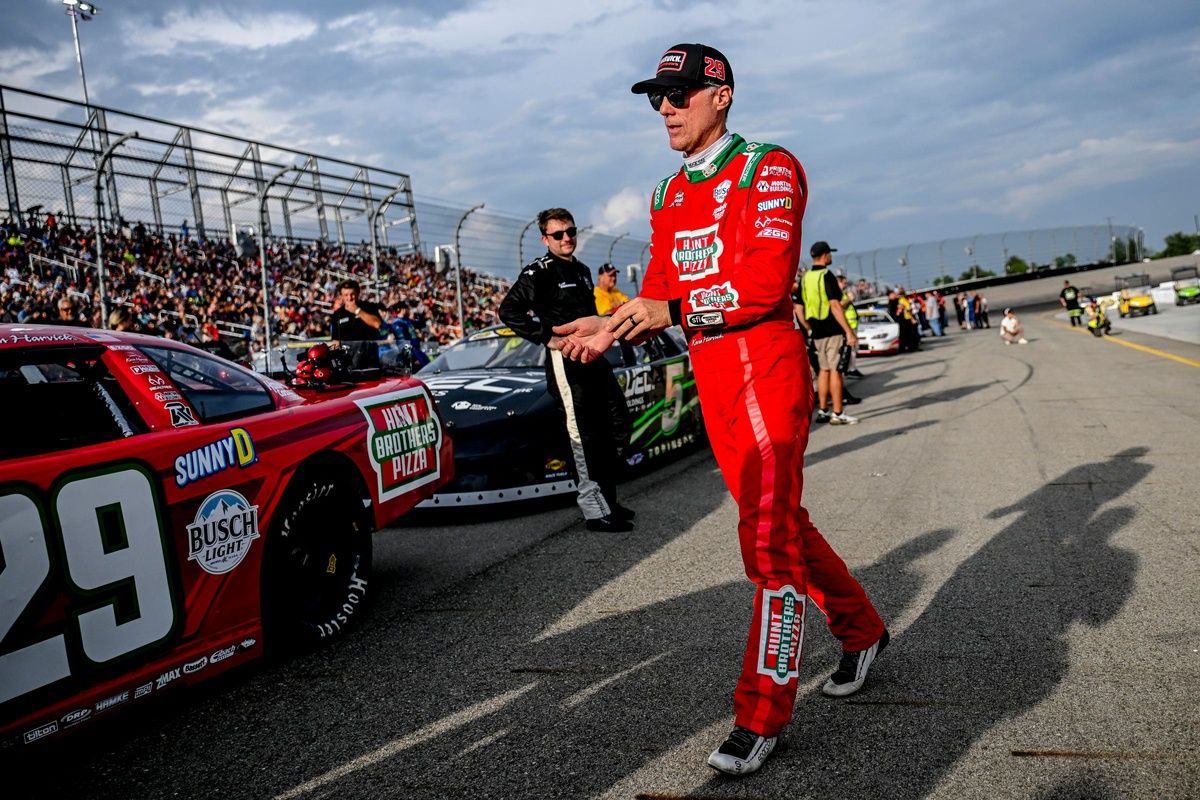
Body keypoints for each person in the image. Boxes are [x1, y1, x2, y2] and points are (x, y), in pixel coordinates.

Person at [551, 43, 888, 777]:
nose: (665, 109)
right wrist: (607, 326)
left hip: (764, 364)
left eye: (678, 95)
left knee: (765, 539)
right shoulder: (668, 194)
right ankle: (861, 629)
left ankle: (762, 711)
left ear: (721, 95)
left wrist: (664, 305)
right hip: (712, 374)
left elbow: (766, 284)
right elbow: (663, 292)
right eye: (655, 99)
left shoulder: (769, 166)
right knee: (782, 521)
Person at [498, 208, 633, 533]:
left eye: (570, 231)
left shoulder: (585, 270)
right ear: (545, 239)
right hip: (565, 364)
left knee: (616, 424)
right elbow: (509, 310)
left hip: (593, 357)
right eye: (558, 234)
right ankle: (594, 509)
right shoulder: (539, 271)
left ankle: (608, 500)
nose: (566, 238)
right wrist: (549, 339)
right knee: (582, 436)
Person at [797, 244, 858, 424]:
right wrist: (849, 332)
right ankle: (838, 413)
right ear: (825, 255)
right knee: (836, 371)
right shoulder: (826, 275)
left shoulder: (805, 278)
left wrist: (808, 326)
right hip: (833, 330)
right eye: (830, 253)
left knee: (823, 370)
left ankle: (823, 410)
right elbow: (835, 305)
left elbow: (799, 308)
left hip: (816, 332)